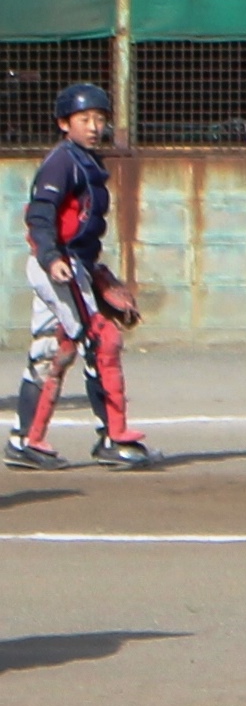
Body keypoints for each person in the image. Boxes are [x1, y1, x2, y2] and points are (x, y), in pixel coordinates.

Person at [14, 80, 149, 472]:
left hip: (74, 265)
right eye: (84, 118)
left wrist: (94, 270)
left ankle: (27, 441)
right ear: (63, 123)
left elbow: (82, 226)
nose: (94, 126)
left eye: (100, 119)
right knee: (101, 339)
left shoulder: (85, 160)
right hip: (57, 265)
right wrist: (53, 256)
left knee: (54, 350)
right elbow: (40, 215)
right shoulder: (62, 160)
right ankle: (113, 436)